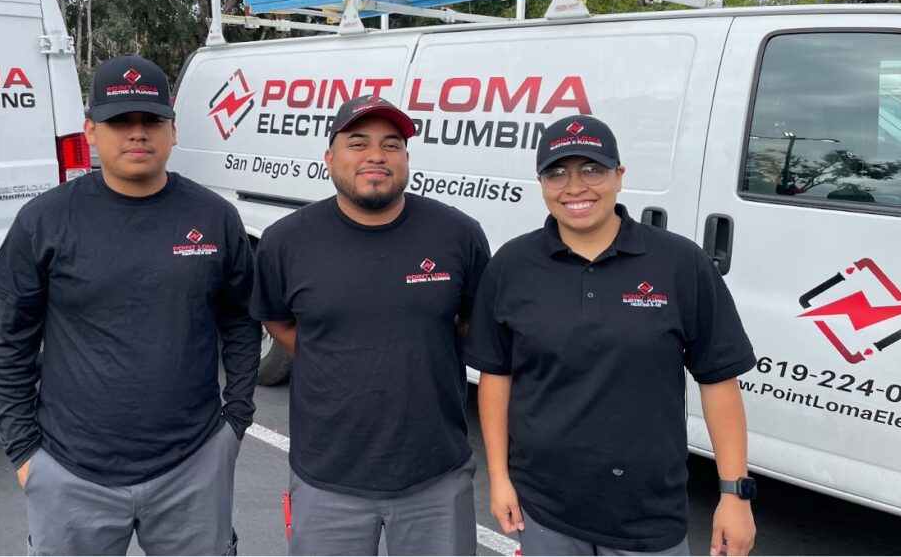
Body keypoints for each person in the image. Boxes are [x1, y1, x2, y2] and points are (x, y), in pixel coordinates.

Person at [0, 54, 261, 556]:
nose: (138, 133)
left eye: (151, 119)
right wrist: (25, 453)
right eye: (120, 121)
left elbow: (241, 321)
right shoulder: (44, 220)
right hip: (70, 471)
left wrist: (235, 424)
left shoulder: (215, 218)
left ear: (172, 129)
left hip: (193, 466)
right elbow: (9, 343)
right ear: (90, 129)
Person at [464, 114, 757, 557]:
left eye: (592, 169)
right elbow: (496, 377)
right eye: (557, 172)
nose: (574, 186)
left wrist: (735, 496)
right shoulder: (513, 265)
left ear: (619, 176)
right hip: (544, 509)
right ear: (541, 182)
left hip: (648, 513)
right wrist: (500, 478)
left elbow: (718, 380)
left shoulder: (679, 263)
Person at [251, 94, 491, 556]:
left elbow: (470, 324)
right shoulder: (286, 241)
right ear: (329, 158)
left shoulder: (458, 235)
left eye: (392, 144)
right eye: (357, 143)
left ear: (406, 158)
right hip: (326, 479)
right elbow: (277, 321)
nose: (376, 155)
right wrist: (335, 354)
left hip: (436, 477)